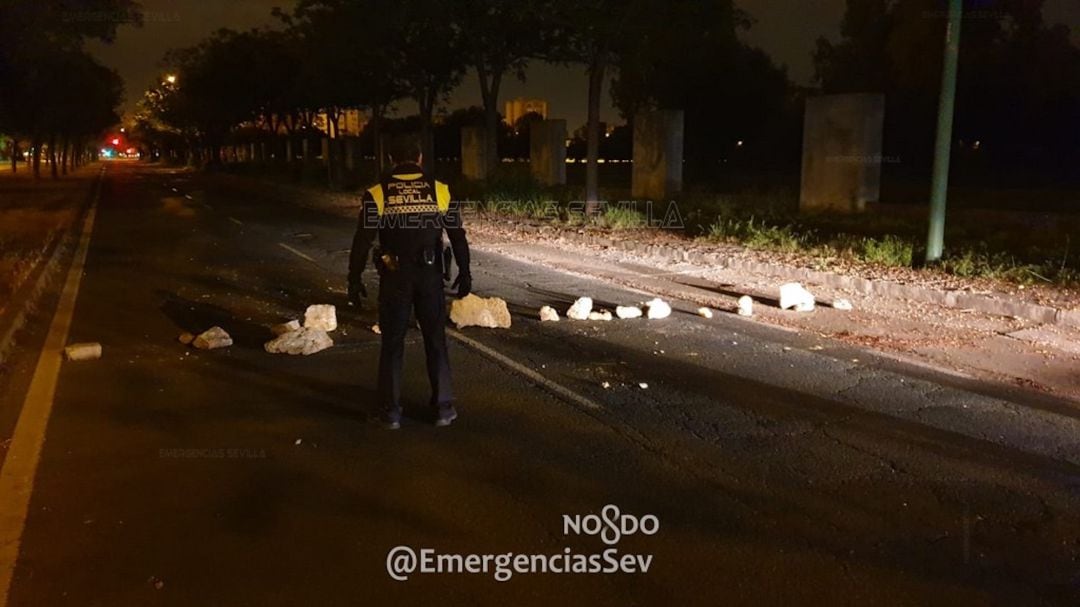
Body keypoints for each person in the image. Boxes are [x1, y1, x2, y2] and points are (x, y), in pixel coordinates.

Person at [348, 136, 471, 429]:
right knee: (435, 340)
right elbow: (457, 234)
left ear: (391, 161)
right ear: (419, 160)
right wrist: (465, 272)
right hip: (430, 277)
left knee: (392, 343)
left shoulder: (377, 193)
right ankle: (443, 408)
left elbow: (362, 241)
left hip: (395, 278)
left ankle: (390, 412)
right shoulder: (438, 190)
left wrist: (353, 279)